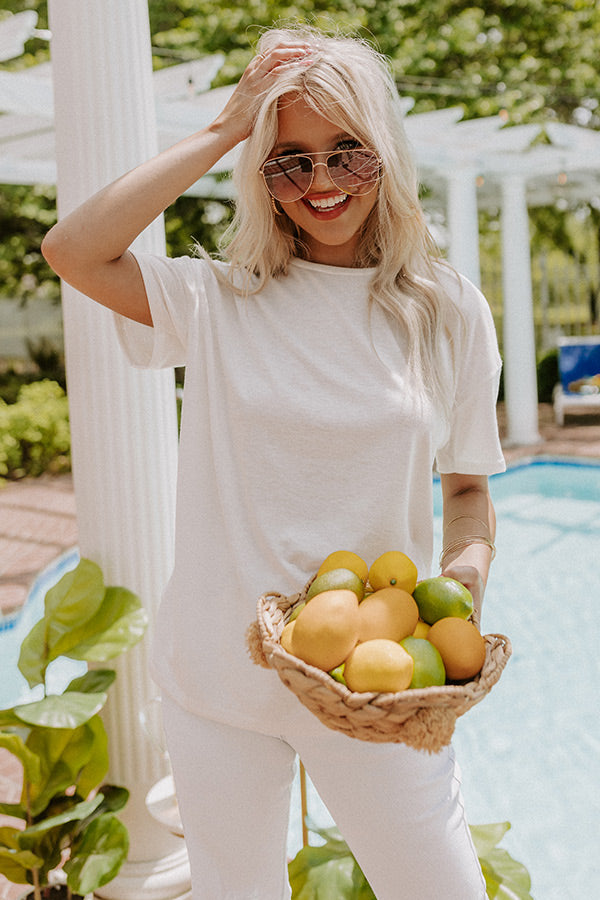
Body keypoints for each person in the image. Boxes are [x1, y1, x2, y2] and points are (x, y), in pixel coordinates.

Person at [42, 25, 505, 900]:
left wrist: (465, 588)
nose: (322, 182)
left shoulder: (446, 309)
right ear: (261, 173)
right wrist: (226, 128)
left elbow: (470, 488)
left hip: (379, 683)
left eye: (347, 153)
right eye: (289, 159)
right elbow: (74, 249)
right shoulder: (218, 299)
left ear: (386, 154)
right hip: (218, 680)